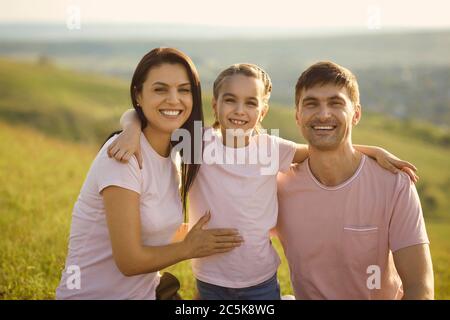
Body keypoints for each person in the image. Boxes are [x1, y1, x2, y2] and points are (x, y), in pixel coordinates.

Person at [110, 63, 417, 300]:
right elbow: (140, 115)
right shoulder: (196, 143)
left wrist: (373, 151)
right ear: (215, 105)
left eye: (251, 103)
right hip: (210, 278)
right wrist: (130, 129)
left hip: (260, 282)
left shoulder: (271, 149)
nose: (240, 111)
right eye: (230, 100)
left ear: (263, 111)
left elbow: (321, 148)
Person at [55, 48, 243, 300]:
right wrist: (189, 248)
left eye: (184, 90)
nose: (174, 100)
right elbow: (129, 261)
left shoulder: (176, 153)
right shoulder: (122, 158)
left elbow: (155, 226)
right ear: (138, 95)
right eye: (160, 89)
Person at [276, 61, 434, 300]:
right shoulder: (279, 185)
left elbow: (419, 288)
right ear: (298, 116)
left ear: (356, 114)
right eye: (311, 104)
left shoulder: (394, 184)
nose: (323, 113)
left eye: (335, 103)